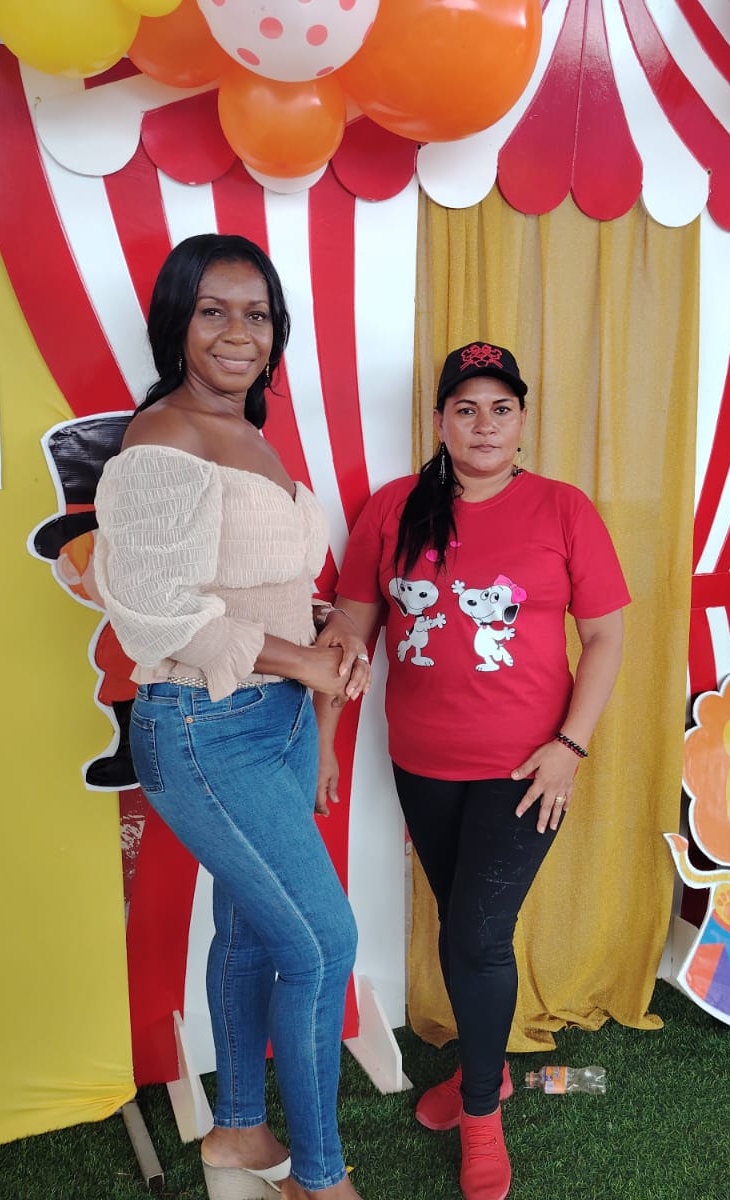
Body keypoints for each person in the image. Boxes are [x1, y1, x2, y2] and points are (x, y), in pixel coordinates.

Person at [92, 233, 369, 1200]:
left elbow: (255, 581)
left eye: (257, 315)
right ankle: (320, 1182)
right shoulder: (162, 439)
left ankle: (240, 1134)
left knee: (254, 931)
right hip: (205, 728)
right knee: (323, 945)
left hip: (277, 719)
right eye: (214, 311)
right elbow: (152, 609)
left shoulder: (247, 431)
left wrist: (325, 631)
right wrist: (303, 660)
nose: (238, 333)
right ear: (178, 322)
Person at [322, 342, 629, 1200]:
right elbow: (348, 634)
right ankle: (478, 1069)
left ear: (522, 420)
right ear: (439, 422)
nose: (484, 424)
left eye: (500, 408)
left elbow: (605, 637)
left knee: (478, 936)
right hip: (422, 762)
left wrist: (569, 748)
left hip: (528, 768)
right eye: (466, 409)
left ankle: (483, 1113)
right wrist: (320, 743)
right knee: (460, 921)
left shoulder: (564, 509)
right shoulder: (394, 510)